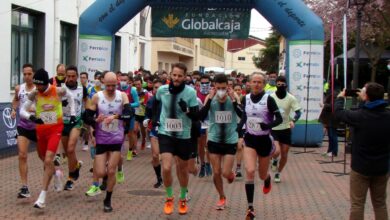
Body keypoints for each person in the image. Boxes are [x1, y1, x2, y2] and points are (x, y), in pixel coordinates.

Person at [20, 68, 76, 209]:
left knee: (48, 159)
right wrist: (31, 117)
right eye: (36, 85)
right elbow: (22, 110)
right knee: (43, 159)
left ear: (46, 83)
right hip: (41, 131)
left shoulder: (57, 91)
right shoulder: (35, 93)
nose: (37, 87)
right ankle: (56, 173)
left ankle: (42, 197)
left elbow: (70, 97)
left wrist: (73, 113)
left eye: (40, 85)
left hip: (55, 129)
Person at [335, 83, 390, 220]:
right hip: (382, 167)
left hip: (361, 167)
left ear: (366, 96)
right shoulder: (387, 116)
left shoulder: (360, 116)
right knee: (380, 204)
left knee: (357, 204)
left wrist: (340, 98)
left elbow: (339, 113)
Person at [153, 63, 198, 215]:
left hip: (183, 135)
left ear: (185, 77)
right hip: (165, 132)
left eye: (180, 76)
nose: (176, 78)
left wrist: (187, 109)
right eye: (174, 75)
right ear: (170, 75)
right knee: (166, 167)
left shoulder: (190, 93)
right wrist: (153, 119)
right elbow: (154, 104)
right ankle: (169, 196)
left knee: (182, 169)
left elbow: (196, 116)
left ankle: (183, 197)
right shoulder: (162, 90)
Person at [84, 72, 132, 212]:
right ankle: (103, 180)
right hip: (102, 138)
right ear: (103, 83)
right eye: (108, 85)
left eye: (113, 85)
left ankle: (108, 199)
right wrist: (95, 120)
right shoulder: (97, 97)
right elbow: (86, 116)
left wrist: (116, 116)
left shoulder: (122, 96)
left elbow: (129, 113)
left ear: (117, 84)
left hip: (117, 138)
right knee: (99, 172)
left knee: (111, 170)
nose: (111, 88)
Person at [237, 72, 282, 219]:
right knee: (250, 171)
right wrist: (239, 128)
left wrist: (267, 125)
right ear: (249, 83)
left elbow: (279, 119)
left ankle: (267, 178)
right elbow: (244, 115)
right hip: (250, 139)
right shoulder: (246, 98)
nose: (256, 84)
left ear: (263, 84)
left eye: (259, 82)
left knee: (262, 175)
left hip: (264, 141)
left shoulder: (269, 99)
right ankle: (250, 208)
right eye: (254, 82)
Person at [198, 74, 241, 210]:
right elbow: (202, 115)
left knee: (225, 173)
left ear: (228, 87)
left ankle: (230, 174)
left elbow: (242, 115)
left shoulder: (234, 97)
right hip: (214, 139)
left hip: (230, 139)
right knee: (216, 172)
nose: (221, 90)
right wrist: (210, 99)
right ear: (214, 87)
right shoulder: (210, 98)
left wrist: (234, 100)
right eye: (218, 88)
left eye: (224, 88)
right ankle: (222, 197)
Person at [270, 76, 302, 183]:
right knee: (277, 151)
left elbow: (298, 112)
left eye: (282, 85)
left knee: (284, 153)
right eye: (278, 84)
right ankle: (274, 160)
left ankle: (278, 172)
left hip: (286, 128)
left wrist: (293, 120)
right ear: (275, 85)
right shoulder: (271, 97)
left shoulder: (291, 98)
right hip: (274, 128)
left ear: (286, 85)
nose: (280, 87)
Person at [12, 63, 37, 198]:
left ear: (33, 74)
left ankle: (56, 173)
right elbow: (15, 100)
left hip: (37, 127)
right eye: (25, 74)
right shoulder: (18, 88)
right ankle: (24, 187)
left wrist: (34, 110)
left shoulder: (39, 89)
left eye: (29, 74)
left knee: (45, 158)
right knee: (22, 155)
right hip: (23, 126)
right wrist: (13, 110)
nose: (27, 76)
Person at [61, 65, 87, 190]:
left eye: (73, 76)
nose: (71, 78)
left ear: (77, 76)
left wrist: (88, 118)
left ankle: (70, 178)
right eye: (69, 76)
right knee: (67, 152)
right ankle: (76, 166)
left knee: (71, 149)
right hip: (63, 123)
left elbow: (88, 103)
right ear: (66, 76)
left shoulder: (83, 89)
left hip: (76, 122)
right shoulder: (60, 88)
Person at [116, 73, 139, 183]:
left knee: (131, 133)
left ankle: (130, 150)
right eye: (122, 79)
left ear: (129, 80)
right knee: (121, 134)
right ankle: (119, 151)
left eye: (125, 80)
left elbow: (137, 103)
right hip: (120, 116)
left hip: (130, 115)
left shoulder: (132, 90)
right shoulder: (117, 89)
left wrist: (128, 105)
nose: (123, 81)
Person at [144, 79, 163, 188]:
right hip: (155, 130)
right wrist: (146, 120)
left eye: (159, 87)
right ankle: (159, 178)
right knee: (155, 156)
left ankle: (167, 174)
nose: (157, 89)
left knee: (165, 158)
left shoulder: (168, 99)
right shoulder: (151, 101)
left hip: (167, 131)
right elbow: (148, 114)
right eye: (155, 87)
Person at [197, 74, 212, 177]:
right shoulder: (195, 93)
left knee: (208, 144)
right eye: (203, 83)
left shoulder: (213, 92)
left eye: (207, 83)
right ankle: (202, 164)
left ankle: (208, 163)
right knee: (201, 145)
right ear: (199, 83)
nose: (205, 84)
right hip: (199, 121)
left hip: (210, 121)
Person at [319, 89, 340, 157]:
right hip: (329, 119)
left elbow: (332, 107)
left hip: (332, 119)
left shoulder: (334, 96)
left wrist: (324, 105)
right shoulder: (333, 95)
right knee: (331, 136)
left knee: (332, 136)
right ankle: (330, 151)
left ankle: (334, 152)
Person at [133, 76, 149, 151]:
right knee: (135, 130)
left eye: (139, 84)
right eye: (136, 84)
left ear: (142, 84)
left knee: (143, 131)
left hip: (143, 114)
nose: (137, 86)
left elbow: (146, 102)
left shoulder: (145, 92)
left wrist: (141, 102)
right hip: (136, 113)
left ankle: (143, 140)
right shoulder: (133, 91)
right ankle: (134, 149)